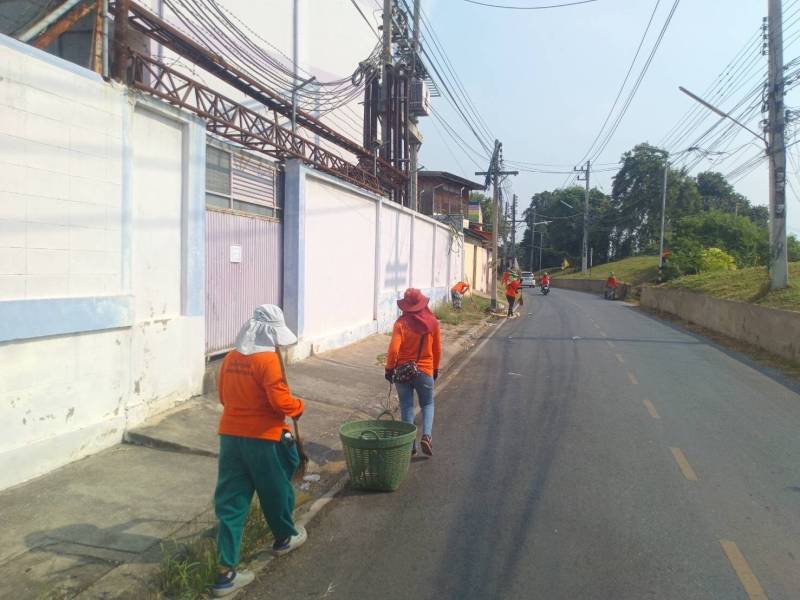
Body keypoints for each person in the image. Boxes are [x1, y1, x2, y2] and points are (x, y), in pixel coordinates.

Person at [212, 305, 306, 597]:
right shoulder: (268, 361)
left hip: (230, 438)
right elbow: (280, 402)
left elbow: (223, 396)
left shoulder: (230, 358)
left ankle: (225, 574)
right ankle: (284, 538)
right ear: (271, 334)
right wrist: (298, 407)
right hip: (264, 439)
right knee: (276, 490)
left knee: (231, 502)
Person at [385, 288, 442, 457]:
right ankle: (427, 436)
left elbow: (393, 350)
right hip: (425, 371)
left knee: (406, 407)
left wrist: (389, 369)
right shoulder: (432, 323)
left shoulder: (400, 324)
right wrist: (435, 368)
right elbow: (437, 349)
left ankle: (410, 445)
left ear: (406, 306)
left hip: (403, 372)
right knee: (427, 404)